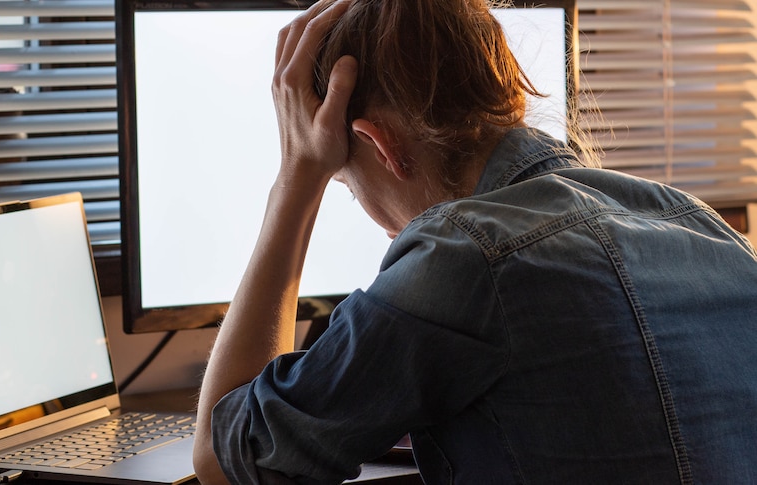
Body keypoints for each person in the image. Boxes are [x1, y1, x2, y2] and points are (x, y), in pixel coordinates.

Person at [192, 0, 757, 482]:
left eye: (346, 182)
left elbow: (227, 455)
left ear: (378, 144)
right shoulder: (701, 225)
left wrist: (297, 176)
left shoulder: (463, 253)